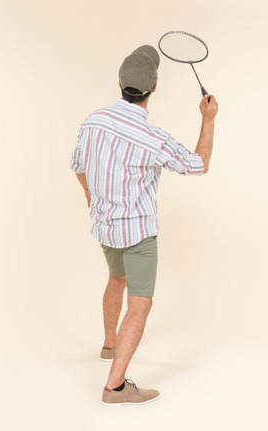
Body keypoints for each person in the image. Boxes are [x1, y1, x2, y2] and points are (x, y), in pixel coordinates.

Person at [69, 45, 218, 406]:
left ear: (119, 83)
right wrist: (208, 118)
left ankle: (109, 345)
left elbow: (77, 165)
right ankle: (115, 387)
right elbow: (198, 165)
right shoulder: (154, 138)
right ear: (155, 87)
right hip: (137, 233)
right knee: (140, 303)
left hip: (105, 227)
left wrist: (90, 195)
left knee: (115, 279)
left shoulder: (92, 121)